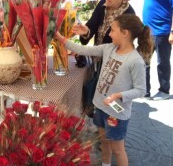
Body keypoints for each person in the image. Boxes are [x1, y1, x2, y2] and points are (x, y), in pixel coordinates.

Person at [55, 14, 153, 166]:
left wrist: (118, 95)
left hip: (116, 113)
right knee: (104, 142)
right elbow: (82, 49)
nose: (109, 34)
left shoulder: (135, 61)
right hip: (100, 106)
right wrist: (61, 38)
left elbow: (141, 90)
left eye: (113, 30)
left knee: (118, 149)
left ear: (125, 33)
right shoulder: (109, 48)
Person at [143, 0, 173, 100]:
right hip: (146, 31)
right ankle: (145, 90)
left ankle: (164, 90)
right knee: (144, 61)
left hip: (162, 31)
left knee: (162, 63)